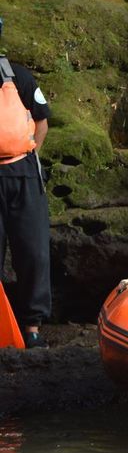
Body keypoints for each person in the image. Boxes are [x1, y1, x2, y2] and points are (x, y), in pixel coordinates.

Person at [0, 18, 51, 349]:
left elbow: (42, 121)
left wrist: (29, 155)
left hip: (23, 174)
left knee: (33, 250)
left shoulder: (19, 76)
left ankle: (32, 326)